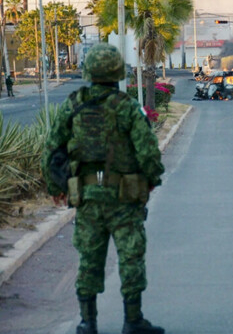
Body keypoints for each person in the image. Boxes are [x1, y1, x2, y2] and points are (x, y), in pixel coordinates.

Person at [41, 43, 165, 334]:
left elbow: (52, 148)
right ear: (117, 72)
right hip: (124, 199)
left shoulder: (73, 104)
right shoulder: (126, 107)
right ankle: (133, 322)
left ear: (88, 72)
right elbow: (147, 149)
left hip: (87, 198)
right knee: (131, 256)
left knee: (89, 259)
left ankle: (88, 323)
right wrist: (151, 179)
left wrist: (55, 187)